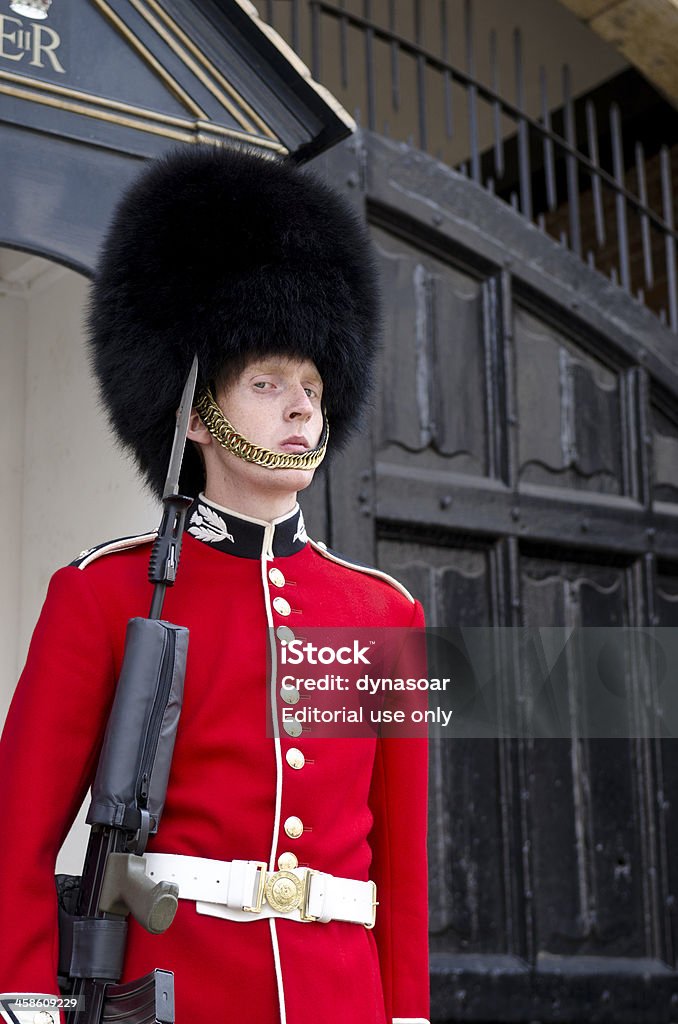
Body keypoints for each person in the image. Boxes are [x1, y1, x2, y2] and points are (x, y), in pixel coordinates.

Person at [0, 146, 429, 1024]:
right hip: (178, 993)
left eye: (314, 385)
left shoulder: (387, 614)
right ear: (197, 413)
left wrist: (407, 1012)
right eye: (268, 382)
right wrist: (26, 1000)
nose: (302, 407)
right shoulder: (103, 594)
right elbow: (19, 835)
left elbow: (403, 867)